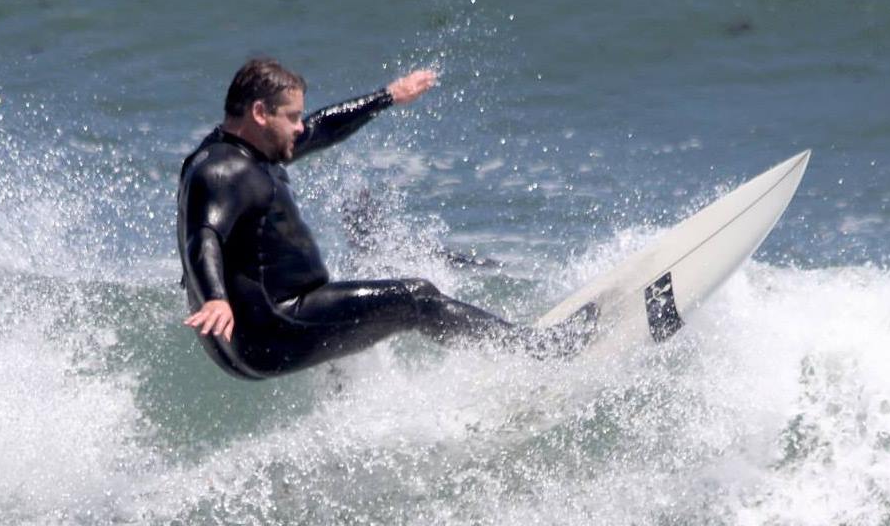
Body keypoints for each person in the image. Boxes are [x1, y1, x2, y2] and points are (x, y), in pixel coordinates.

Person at [177, 57, 589, 380]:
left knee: (358, 313)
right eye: (292, 117)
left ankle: (355, 421)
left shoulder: (249, 151)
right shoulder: (222, 169)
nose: (300, 127)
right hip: (274, 327)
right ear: (260, 113)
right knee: (417, 298)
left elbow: (321, 129)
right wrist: (215, 297)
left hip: (274, 325)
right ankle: (535, 352)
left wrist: (388, 96)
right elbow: (203, 235)